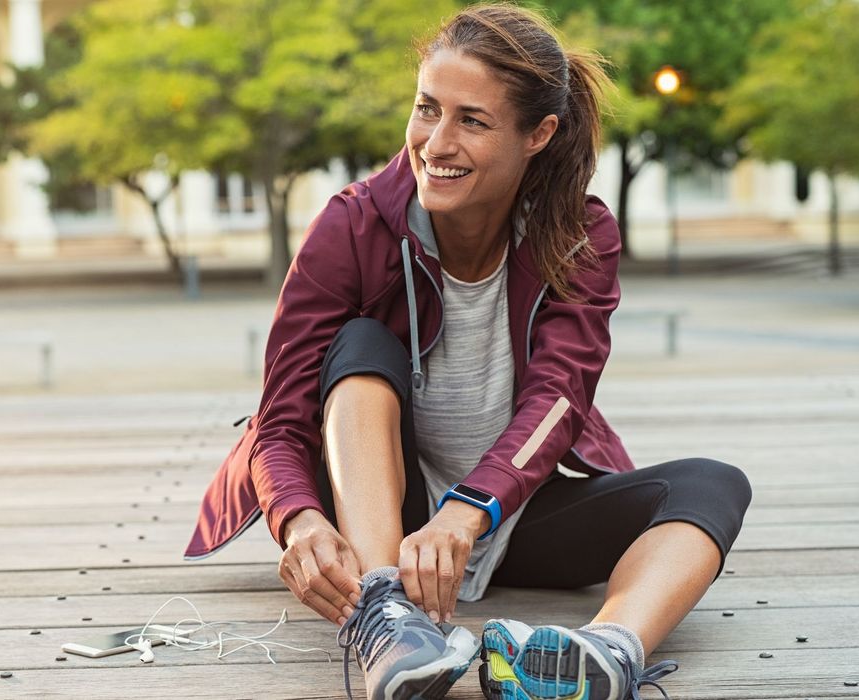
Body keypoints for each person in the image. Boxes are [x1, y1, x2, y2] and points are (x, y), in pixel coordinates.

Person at [186, 4, 752, 699]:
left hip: (508, 513)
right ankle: (385, 613)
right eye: (428, 109)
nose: (436, 142)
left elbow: (559, 401)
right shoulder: (353, 225)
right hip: (389, 526)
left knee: (712, 483)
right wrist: (299, 518)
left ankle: (607, 654)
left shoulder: (579, 235)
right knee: (361, 345)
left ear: (538, 134)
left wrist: (470, 510)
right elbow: (279, 419)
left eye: (472, 120)